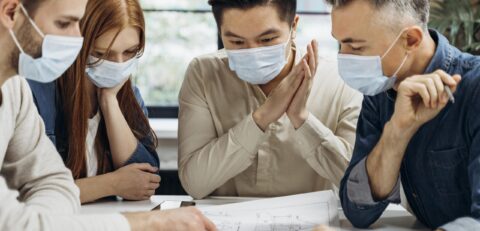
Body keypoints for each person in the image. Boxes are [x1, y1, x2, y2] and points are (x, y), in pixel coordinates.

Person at [0, 0, 216, 230]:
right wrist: (142, 219)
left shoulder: (14, 89)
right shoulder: (33, 87)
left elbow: (52, 182)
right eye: (65, 23)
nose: (76, 39)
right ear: (10, 12)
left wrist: (109, 99)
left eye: (130, 52)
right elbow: (17, 219)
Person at [178, 0, 363, 199]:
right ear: (221, 32)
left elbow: (358, 186)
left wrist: (302, 119)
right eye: (237, 42)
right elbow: (195, 184)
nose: (253, 53)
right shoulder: (203, 73)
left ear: (294, 27)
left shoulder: (339, 80)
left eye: (267, 40)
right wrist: (262, 117)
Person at [325, 0, 480, 230]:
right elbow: (357, 210)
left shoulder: (474, 88)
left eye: (356, 47)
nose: (344, 58)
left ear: (411, 40)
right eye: (339, 44)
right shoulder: (380, 89)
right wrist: (397, 131)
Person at [27, 0, 160, 204]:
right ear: (80, 43)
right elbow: (32, 192)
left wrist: (109, 103)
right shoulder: (38, 88)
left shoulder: (129, 94)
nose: (118, 64)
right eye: (102, 54)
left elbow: (145, 181)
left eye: (130, 52)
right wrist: (112, 184)